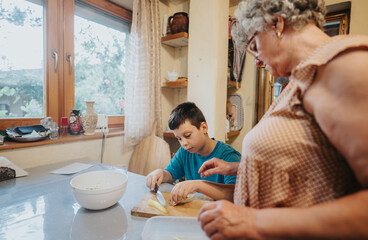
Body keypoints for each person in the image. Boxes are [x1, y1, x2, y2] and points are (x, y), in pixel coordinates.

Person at [197, 0, 368, 239]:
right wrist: (239, 167)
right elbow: (313, 162)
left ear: (276, 22)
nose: (256, 60)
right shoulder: (302, 79)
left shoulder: (342, 65)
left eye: (254, 45)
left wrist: (253, 221)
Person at [146, 102, 241, 205]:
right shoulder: (185, 152)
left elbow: (235, 195)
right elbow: (171, 174)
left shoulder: (228, 156)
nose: (184, 143)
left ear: (203, 128)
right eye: (179, 139)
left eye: (187, 135)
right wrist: (160, 173)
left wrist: (198, 185)